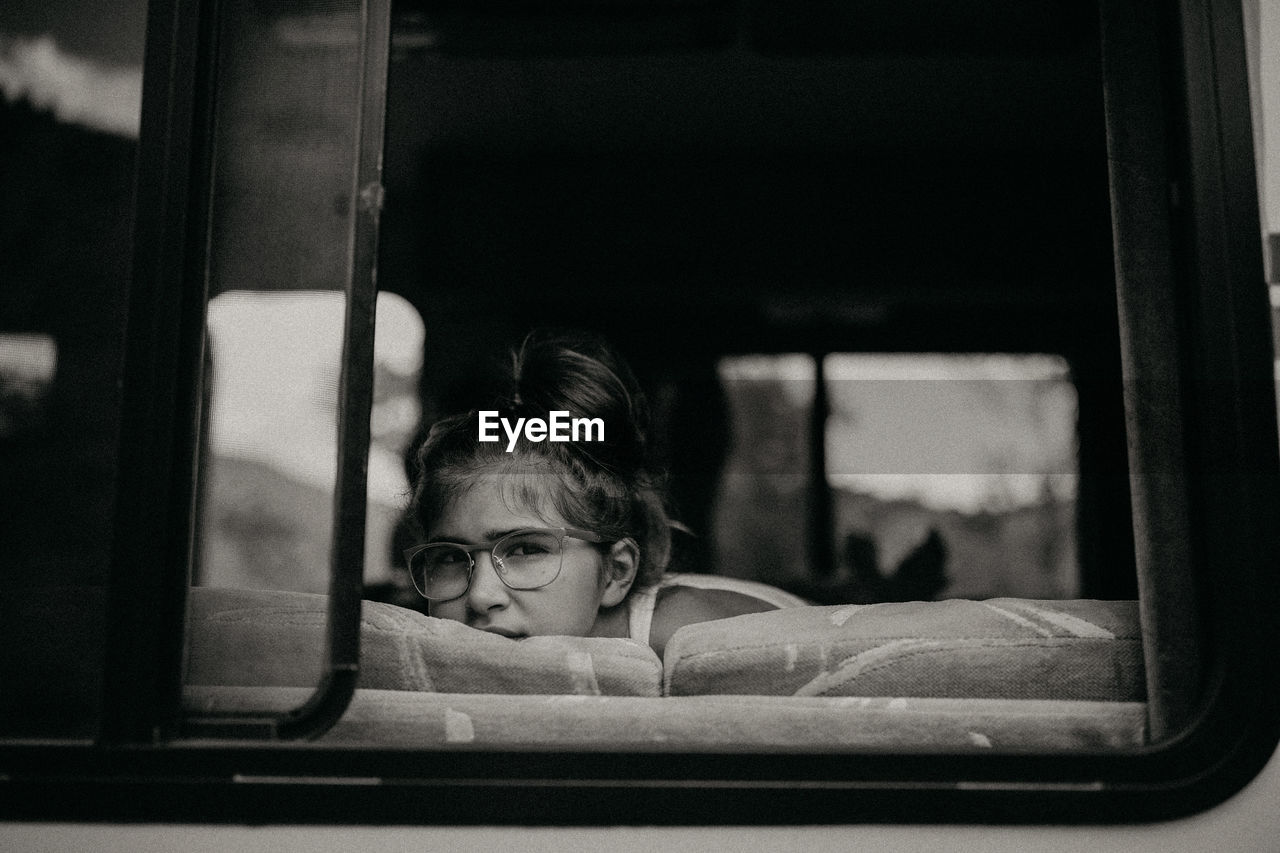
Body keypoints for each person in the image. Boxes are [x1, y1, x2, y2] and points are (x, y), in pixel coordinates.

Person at [403, 329, 805, 657]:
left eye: (526, 549)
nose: (480, 597)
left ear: (617, 572)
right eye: (449, 558)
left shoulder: (695, 638)